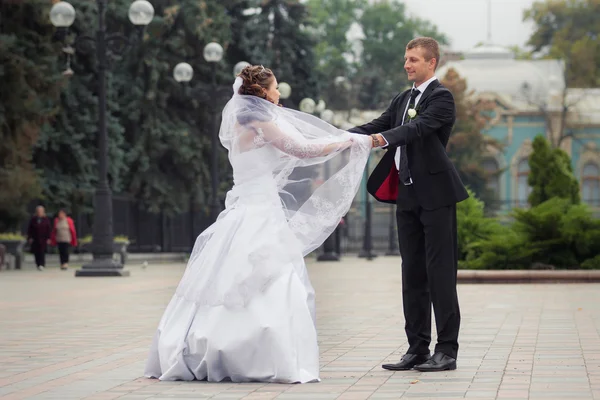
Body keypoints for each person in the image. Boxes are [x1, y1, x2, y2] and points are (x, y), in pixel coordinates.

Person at [144, 65, 372, 383]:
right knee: (274, 278)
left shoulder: (241, 127)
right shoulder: (261, 123)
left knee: (231, 274)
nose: (279, 92)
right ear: (263, 91)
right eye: (276, 87)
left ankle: (213, 344)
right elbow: (303, 150)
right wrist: (350, 141)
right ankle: (254, 354)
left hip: (246, 207)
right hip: (259, 211)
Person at [349, 37, 469, 372]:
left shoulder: (441, 98)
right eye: (406, 59)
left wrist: (381, 139)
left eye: (414, 59)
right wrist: (342, 137)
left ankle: (446, 350)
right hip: (407, 195)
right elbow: (379, 125)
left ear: (432, 63)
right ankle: (417, 348)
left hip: (437, 196)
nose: (407, 64)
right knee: (412, 273)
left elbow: (416, 129)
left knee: (440, 273)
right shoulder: (403, 98)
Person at [27, 205, 52, 271]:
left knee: (42, 252)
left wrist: (49, 238)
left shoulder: (46, 219)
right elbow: (30, 229)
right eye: (38, 211)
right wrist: (30, 237)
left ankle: (42, 264)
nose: (39, 212)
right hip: (35, 238)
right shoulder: (33, 219)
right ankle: (38, 264)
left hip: (43, 238)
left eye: (41, 211)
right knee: (36, 252)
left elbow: (48, 229)